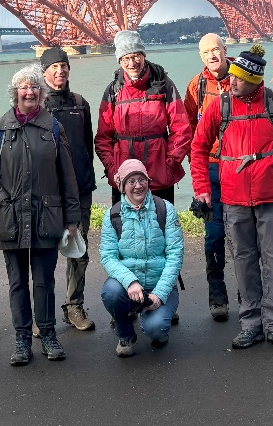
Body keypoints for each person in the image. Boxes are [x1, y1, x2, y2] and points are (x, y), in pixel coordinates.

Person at [189, 44, 273, 350]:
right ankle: (250, 323)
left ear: (256, 81)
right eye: (231, 77)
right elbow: (198, 148)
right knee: (244, 260)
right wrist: (202, 189)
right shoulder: (220, 106)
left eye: (239, 78)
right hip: (233, 197)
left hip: (271, 194)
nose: (231, 82)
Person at [0, 64, 82, 366]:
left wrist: (71, 218)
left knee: (44, 281)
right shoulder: (0, 129)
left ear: (42, 92)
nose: (30, 91)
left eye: (35, 86)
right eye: (24, 86)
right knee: (18, 282)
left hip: (46, 217)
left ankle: (47, 333)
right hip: (11, 219)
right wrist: (1, 202)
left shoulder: (53, 128)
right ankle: (22, 339)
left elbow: (67, 177)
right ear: (15, 93)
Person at [95, 29, 192, 206]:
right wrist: (112, 168)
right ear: (119, 60)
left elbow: (182, 128)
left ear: (143, 55)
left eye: (136, 56)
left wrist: (169, 164)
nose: (132, 63)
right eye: (126, 58)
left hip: (159, 175)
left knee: (161, 228)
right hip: (123, 176)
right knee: (125, 231)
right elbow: (103, 137)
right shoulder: (113, 90)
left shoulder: (163, 85)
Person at [99, 159, 184, 357]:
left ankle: (159, 318)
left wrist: (160, 294)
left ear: (148, 181)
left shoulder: (165, 209)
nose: (138, 186)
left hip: (159, 285)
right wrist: (130, 282)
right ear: (122, 186)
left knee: (155, 329)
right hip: (130, 287)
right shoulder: (112, 215)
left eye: (142, 179)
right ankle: (125, 335)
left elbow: (175, 255)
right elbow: (108, 257)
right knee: (111, 292)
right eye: (131, 181)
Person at [40, 47, 99, 332]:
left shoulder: (80, 103)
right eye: (54, 66)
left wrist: (85, 176)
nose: (60, 70)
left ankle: (73, 306)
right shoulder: (36, 106)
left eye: (64, 65)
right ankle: (44, 313)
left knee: (79, 249)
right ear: (44, 72)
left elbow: (87, 145)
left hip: (80, 189)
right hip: (49, 192)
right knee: (46, 251)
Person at [183, 32, 233, 321]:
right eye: (206, 52)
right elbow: (191, 131)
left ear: (226, 50)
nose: (212, 55)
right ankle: (217, 295)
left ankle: (248, 296)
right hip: (213, 168)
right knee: (214, 236)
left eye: (216, 49)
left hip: (240, 168)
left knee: (243, 237)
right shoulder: (196, 86)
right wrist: (198, 173)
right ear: (201, 57)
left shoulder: (242, 78)